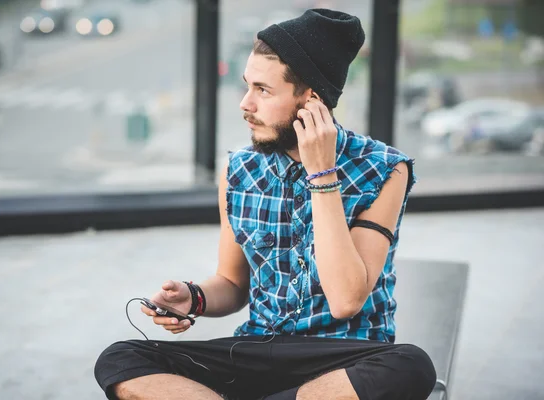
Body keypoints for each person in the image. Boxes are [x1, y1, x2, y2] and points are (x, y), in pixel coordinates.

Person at [95, 8, 436, 400]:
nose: (245, 104)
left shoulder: (384, 170)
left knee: (410, 366)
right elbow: (233, 284)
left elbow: (346, 300)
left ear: (310, 100)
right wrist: (195, 298)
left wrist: (322, 176)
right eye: (247, 86)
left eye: (263, 90)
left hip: (344, 358)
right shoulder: (238, 170)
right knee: (120, 358)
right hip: (257, 351)